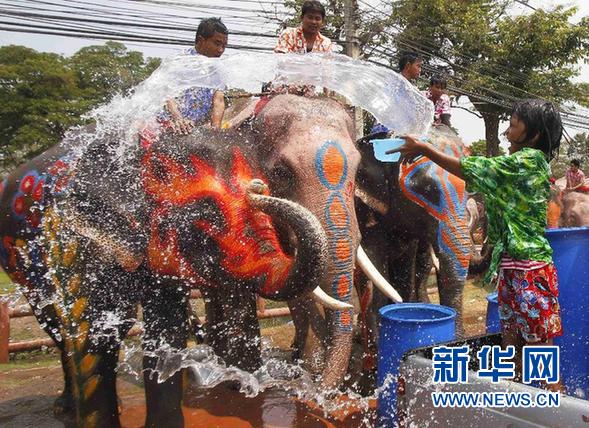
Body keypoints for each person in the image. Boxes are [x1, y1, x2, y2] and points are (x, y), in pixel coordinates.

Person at [396, 99, 565, 392]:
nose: (507, 130)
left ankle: (558, 409)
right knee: (511, 343)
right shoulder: (514, 164)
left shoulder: (529, 162)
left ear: (534, 135)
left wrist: (425, 150)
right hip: (511, 270)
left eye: (514, 125)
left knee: (539, 345)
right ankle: (517, 404)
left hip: (531, 271)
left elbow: (475, 169)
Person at [160, 17, 228, 133]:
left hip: (193, 128)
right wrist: (179, 119)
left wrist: (215, 130)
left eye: (224, 46)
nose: (221, 50)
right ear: (201, 41)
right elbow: (167, 93)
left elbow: (219, 100)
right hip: (167, 124)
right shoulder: (179, 61)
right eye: (217, 44)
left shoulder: (218, 70)